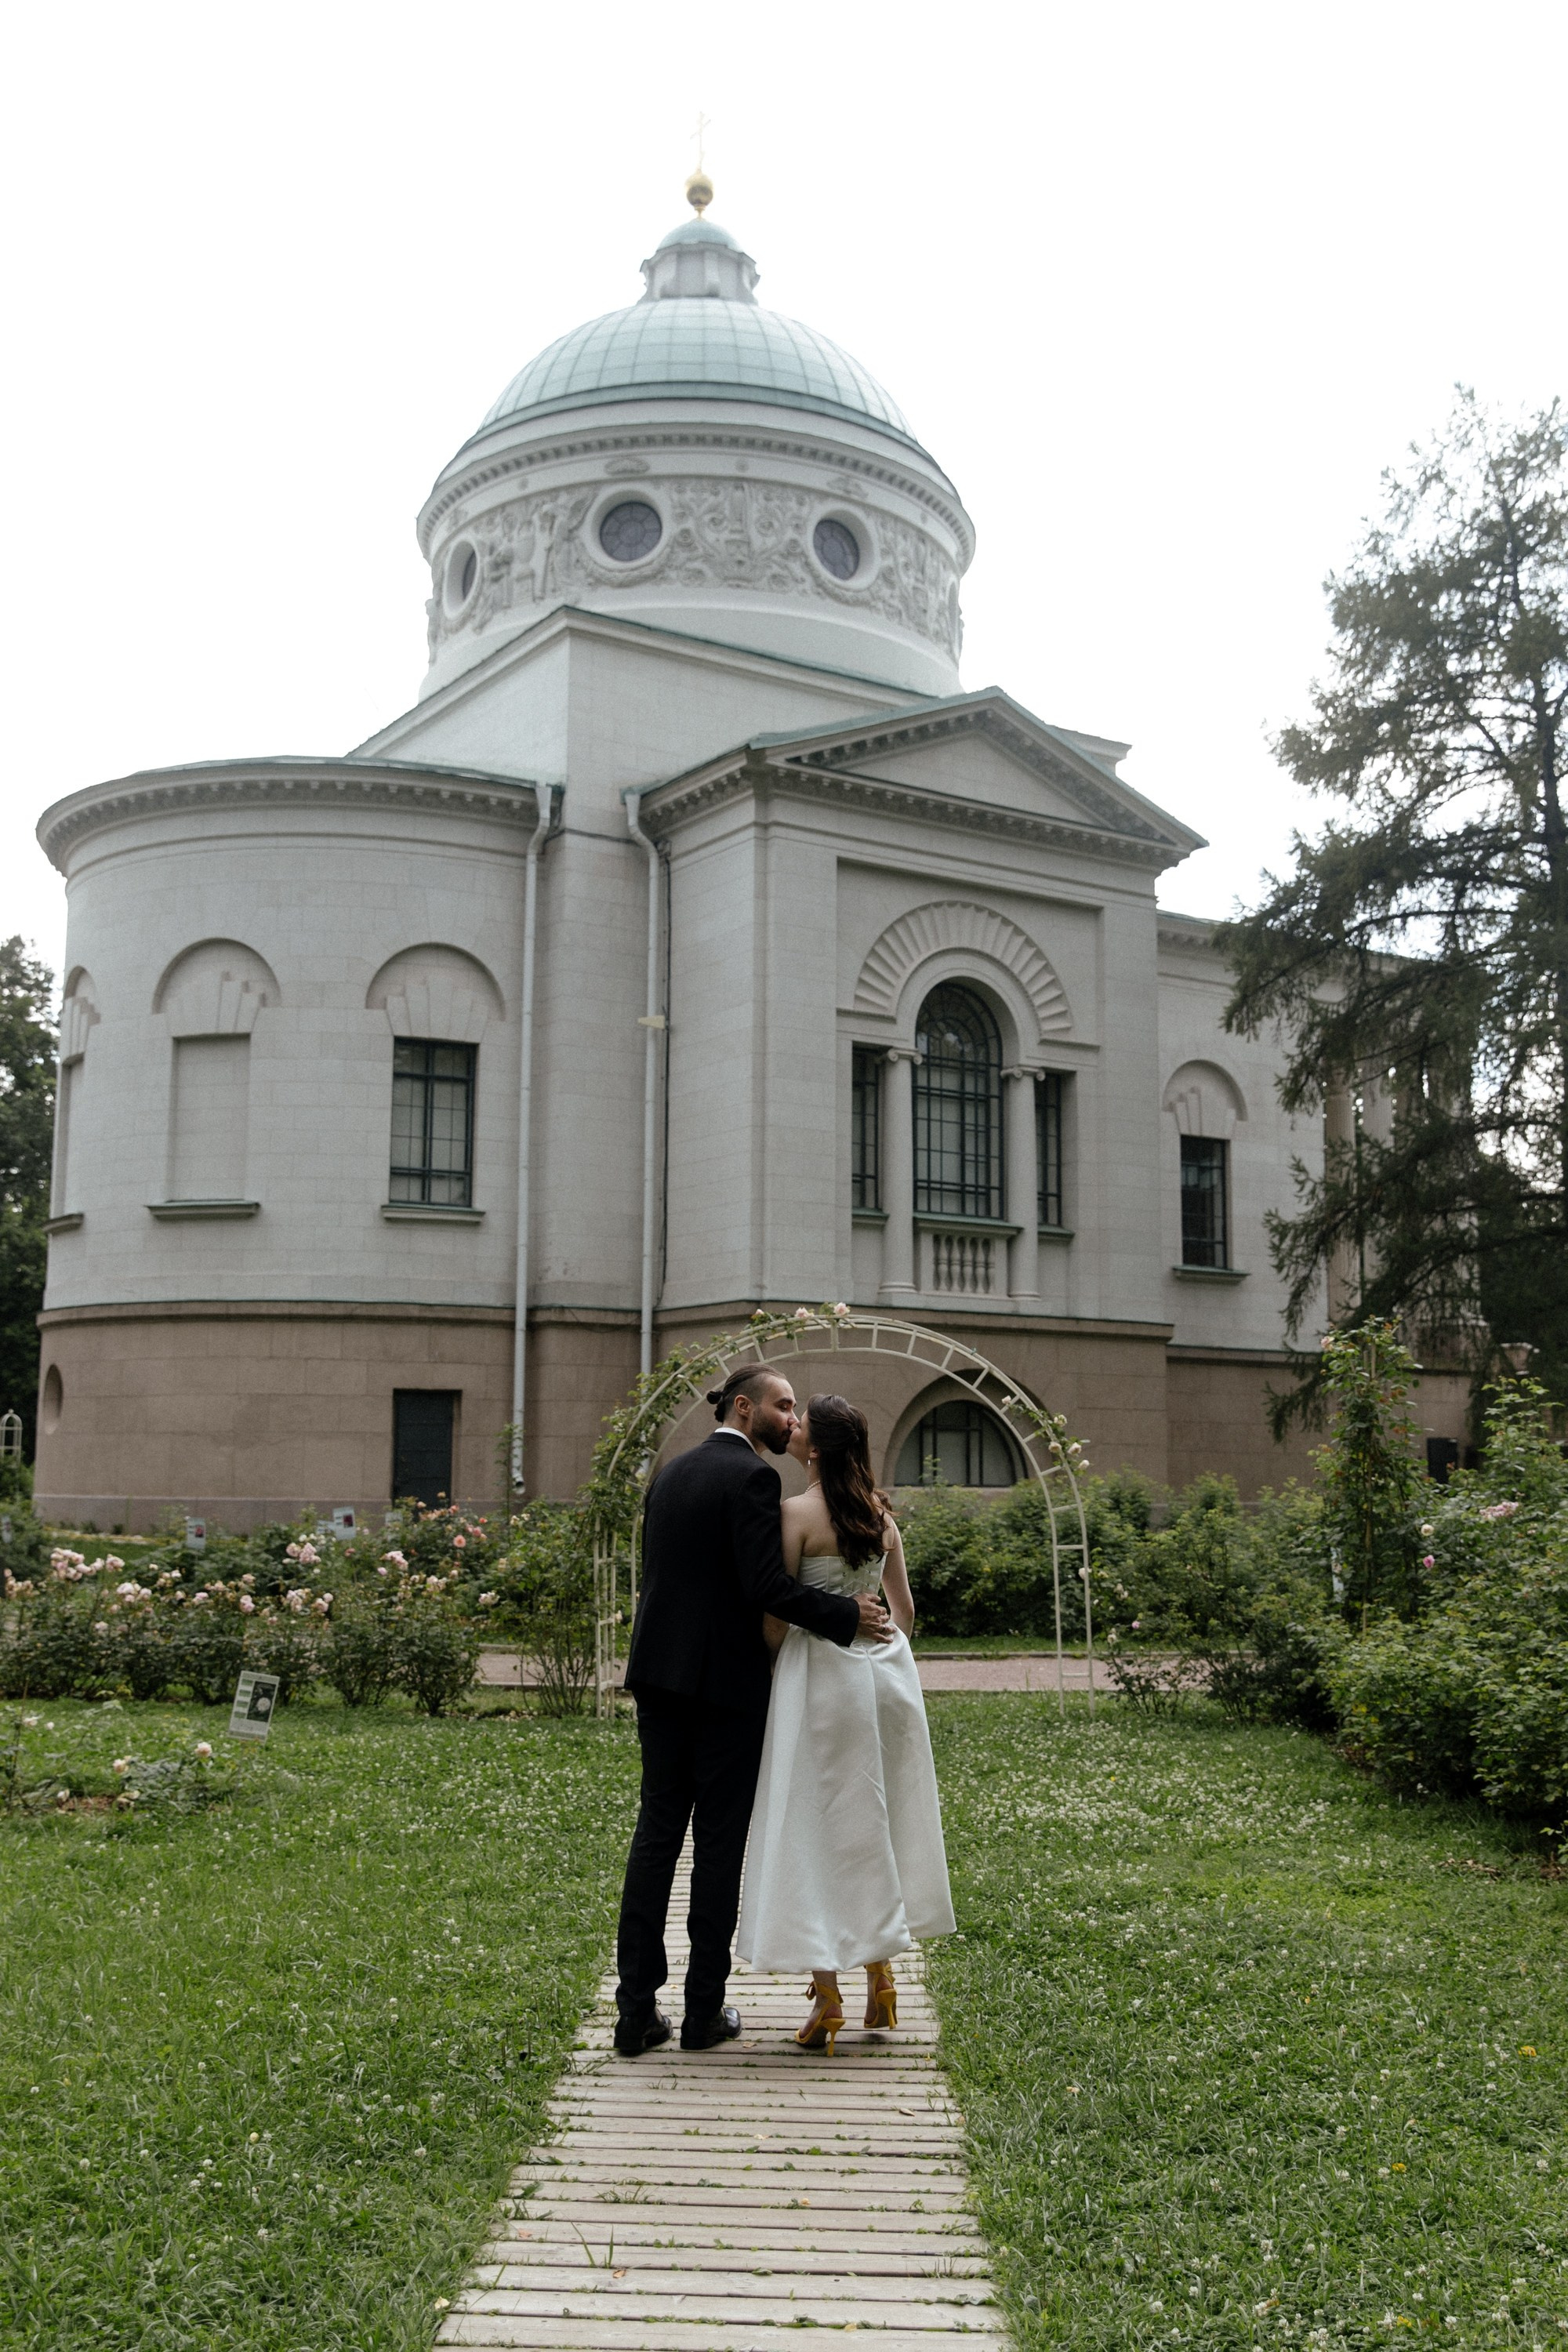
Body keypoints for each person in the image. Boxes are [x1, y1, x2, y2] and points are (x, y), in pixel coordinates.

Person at [612, 1366, 895, 2057]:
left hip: (658, 1678)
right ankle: (702, 2013)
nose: (792, 1419)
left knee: (654, 1843)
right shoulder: (753, 1480)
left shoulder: (670, 1474)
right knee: (715, 1848)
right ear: (746, 1407)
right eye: (784, 1405)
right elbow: (764, 1585)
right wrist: (844, 1615)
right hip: (723, 1690)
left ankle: (635, 2014)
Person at [735, 1392, 954, 2053]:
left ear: (818, 1448)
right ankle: (881, 1982)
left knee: (816, 1823)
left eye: (802, 1426)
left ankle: (827, 1997)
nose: (792, 1428)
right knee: (875, 1821)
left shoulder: (795, 1513)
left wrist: (778, 1668)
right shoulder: (882, 1517)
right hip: (886, 1683)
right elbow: (905, 1613)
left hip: (822, 1682)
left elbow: (777, 1615)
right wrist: (880, 1651)